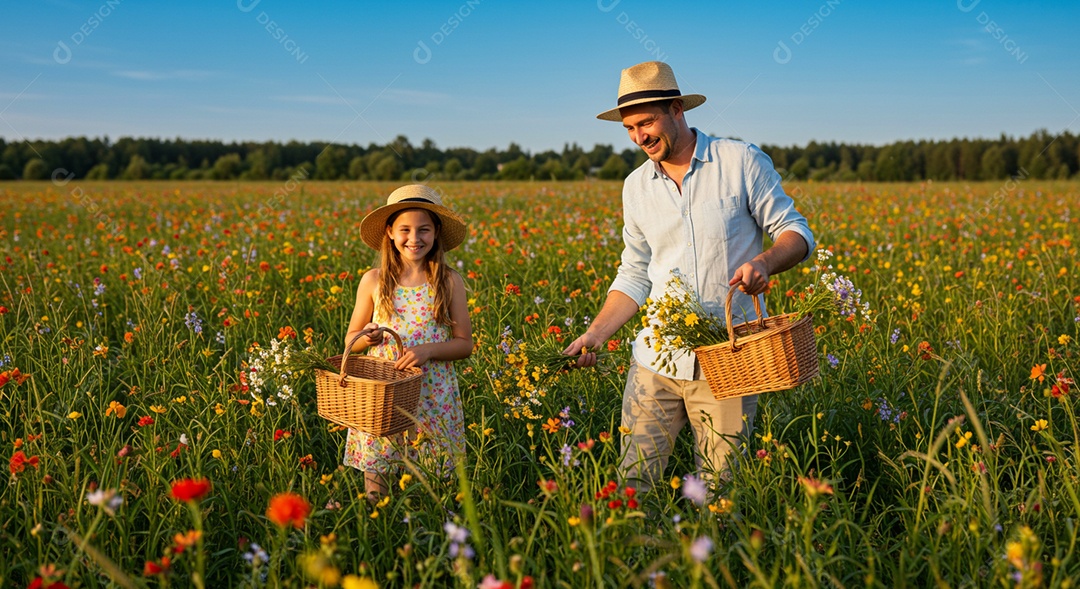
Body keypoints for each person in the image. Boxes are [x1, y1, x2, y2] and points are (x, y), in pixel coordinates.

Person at [564, 61, 816, 493]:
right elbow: (635, 273)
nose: (639, 137)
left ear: (677, 110)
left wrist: (764, 264)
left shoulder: (740, 161)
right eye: (629, 128)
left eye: (646, 122)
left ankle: (712, 559)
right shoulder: (635, 187)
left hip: (730, 359)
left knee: (722, 491)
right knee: (632, 485)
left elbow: (797, 233)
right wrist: (595, 334)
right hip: (655, 361)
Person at [342, 184, 473, 501]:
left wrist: (429, 351)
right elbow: (350, 340)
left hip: (432, 393)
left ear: (436, 232)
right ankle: (378, 526)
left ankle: (435, 531)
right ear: (389, 232)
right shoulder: (373, 280)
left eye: (424, 230)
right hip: (382, 395)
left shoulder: (448, 281)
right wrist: (368, 336)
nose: (414, 238)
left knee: (435, 482)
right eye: (405, 229)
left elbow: (465, 344)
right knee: (379, 473)